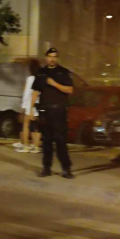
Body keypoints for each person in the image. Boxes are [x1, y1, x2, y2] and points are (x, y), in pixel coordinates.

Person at [35, 47, 75, 179]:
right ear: (46, 57)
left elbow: (69, 90)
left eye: (54, 56)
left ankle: (66, 169)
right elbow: (36, 91)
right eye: (50, 56)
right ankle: (46, 168)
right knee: (46, 141)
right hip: (45, 110)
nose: (52, 58)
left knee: (60, 141)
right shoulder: (41, 72)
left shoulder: (63, 72)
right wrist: (30, 110)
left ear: (57, 58)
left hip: (58, 110)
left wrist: (54, 84)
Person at [13, 59, 41, 154]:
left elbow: (27, 93)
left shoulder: (30, 79)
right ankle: (36, 147)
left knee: (26, 125)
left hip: (30, 104)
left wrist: (24, 107)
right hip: (39, 105)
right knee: (36, 127)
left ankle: (25, 146)